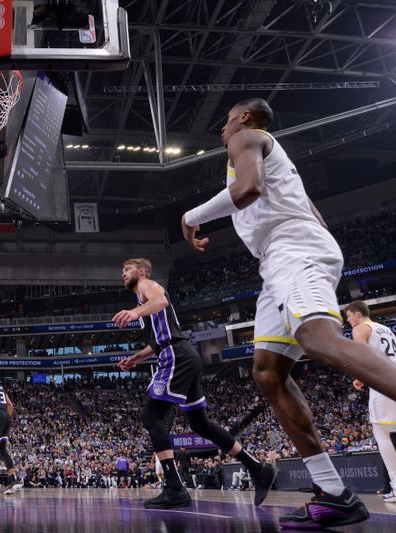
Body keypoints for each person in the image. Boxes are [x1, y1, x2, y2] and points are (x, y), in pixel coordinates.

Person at [179, 97, 396, 527]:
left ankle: (334, 494)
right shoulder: (275, 161)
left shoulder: (246, 137)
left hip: (292, 250)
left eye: (224, 121)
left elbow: (247, 190)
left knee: (318, 339)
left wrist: (191, 216)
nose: (222, 130)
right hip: (281, 256)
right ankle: (334, 493)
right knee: (267, 371)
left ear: (243, 117)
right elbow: (312, 213)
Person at [114, 258, 276, 509]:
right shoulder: (142, 300)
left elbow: (162, 301)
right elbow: (158, 339)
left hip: (175, 355)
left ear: (142, 271)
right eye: (123, 270)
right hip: (183, 354)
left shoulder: (147, 285)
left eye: (128, 269)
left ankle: (175, 488)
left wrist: (135, 312)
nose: (123, 273)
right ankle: (257, 468)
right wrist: (136, 358)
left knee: (151, 415)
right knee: (200, 423)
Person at [346, 300, 396, 503]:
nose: (348, 321)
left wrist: (359, 377)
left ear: (358, 314)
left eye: (348, 316)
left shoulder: (360, 329)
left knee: (381, 431)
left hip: (383, 383)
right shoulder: (385, 329)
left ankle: (395, 485)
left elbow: (362, 358)